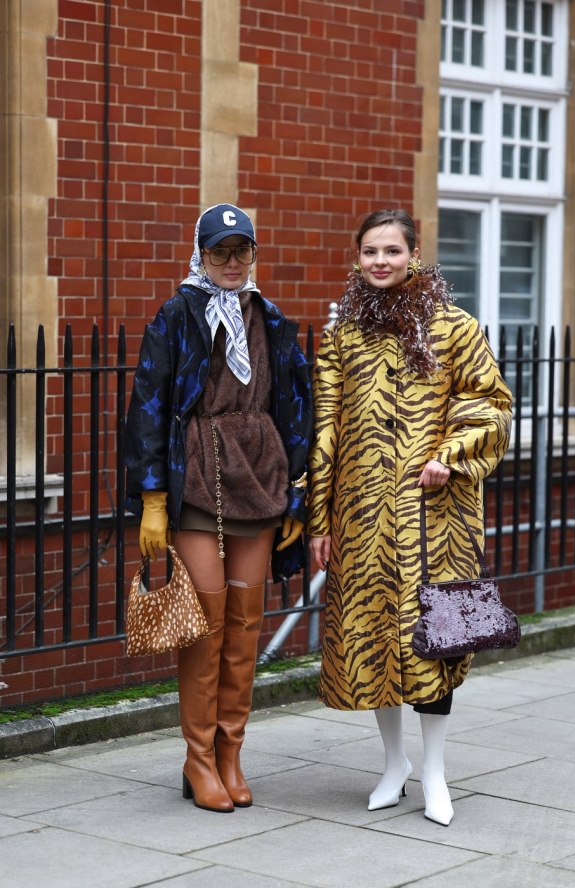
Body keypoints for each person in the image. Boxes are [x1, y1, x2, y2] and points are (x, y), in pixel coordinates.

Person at [307, 208, 512, 826]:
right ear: (357, 257)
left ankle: (436, 774)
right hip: (362, 516)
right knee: (372, 639)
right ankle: (394, 763)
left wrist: (450, 454)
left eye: (391, 251)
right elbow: (325, 428)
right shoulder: (342, 335)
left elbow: (491, 404)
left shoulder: (455, 327)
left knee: (435, 643)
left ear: (414, 254)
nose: (380, 262)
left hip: (437, 519)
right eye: (370, 251)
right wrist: (320, 519)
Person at [125, 204, 313, 813]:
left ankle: (231, 755)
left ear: (254, 254)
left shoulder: (271, 319)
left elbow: (296, 408)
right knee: (204, 627)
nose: (231, 263)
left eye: (242, 251)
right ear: (200, 255)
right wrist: (154, 498)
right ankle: (197, 759)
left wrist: (297, 490)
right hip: (198, 479)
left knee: (245, 627)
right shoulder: (177, 313)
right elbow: (148, 406)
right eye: (219, 252)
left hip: (259, 478)